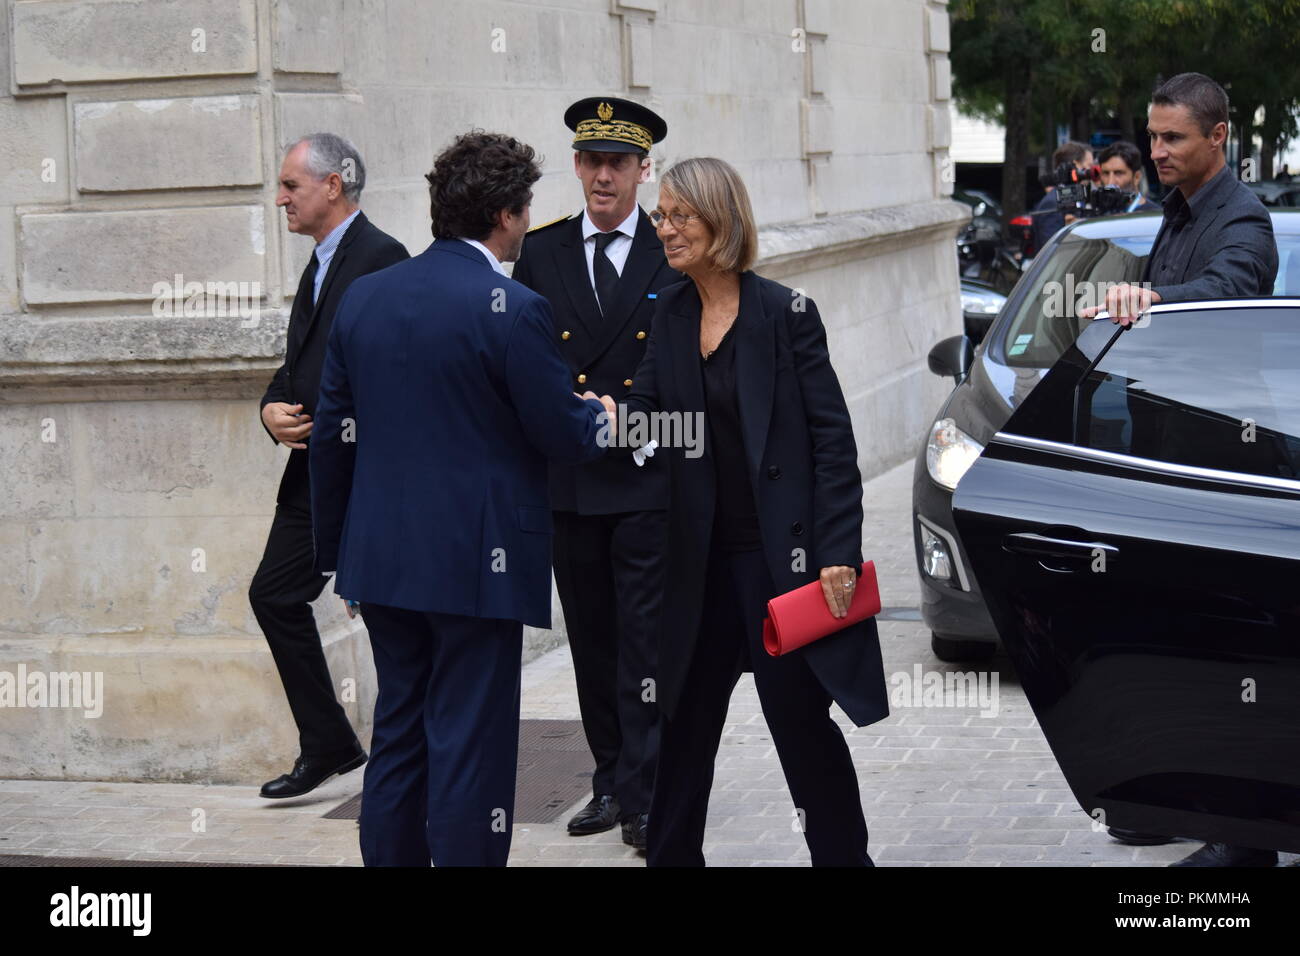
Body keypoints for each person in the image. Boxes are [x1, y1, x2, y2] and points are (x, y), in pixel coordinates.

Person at [309, 131, 615, 866]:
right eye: (526, 207)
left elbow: (331, 438)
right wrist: (599, 417)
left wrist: (339, 559)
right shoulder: (513, 306)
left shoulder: (364, 299)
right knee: (470, 749)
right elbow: (561, 429)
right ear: (507, 215)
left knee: (401, 735)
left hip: (381, 563)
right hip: (480, 565)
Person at [620, 157, 889, 866]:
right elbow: (648, 417)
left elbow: (832, 441)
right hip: (698, 565)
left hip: (781, 564)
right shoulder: (669, 314)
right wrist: (612, 419)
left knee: (799, 725)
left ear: (721, 220)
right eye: (661, 214)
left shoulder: (784, 314)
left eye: (680, 215)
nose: (665, 228)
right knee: (682, 726)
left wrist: (838, 549)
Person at [1082, 73, 1278, 867]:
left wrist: (1149, 300)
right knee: (1181, 656)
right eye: (1153, 137)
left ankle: (1247, 846)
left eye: (1174, 139)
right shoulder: (1177, 212)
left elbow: (1229, 289)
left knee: (1229, 668)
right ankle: (1176, 805)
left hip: (1223, 479)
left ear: (1219, 138)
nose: (1156, 151)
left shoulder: (1245, 220)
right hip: (1172, 474)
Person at [511, 97, 680, 849]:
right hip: (572, 480)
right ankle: (610, 779)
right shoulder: (541, 252)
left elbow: (679, 361)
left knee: (644, 642)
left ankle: (648, 792)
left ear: (645, 170)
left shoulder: (669, 247)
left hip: (643, 478)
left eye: (617, 162)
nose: (602, 175)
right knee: (593, 641)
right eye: (590, 160)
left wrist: (627, 416)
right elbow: (529, 351)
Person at [251, 133, 409, 799]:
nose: (281, 197)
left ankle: (408, 768)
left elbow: (393, 377)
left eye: (291, 185)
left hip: (363, 477)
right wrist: (269, 410)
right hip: (312, 477)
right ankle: (329, 744)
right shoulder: (318, 264)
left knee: (391, 618)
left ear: (332, 186)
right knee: (273, 595)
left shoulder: (381, 259)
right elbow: (300, 366)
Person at [1031, 141, 1094, 252]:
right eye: (1089, 167)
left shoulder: (1075, 198)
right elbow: (1051, 248)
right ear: (1076, 166)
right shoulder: (1053, 202)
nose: (1092, 173)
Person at [1096, 140, 1161, 212]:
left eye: (1118, 173)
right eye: (1106, 173)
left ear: (1137, 177)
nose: (1110, 182)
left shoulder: (1154, 216)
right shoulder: (1096, 212)